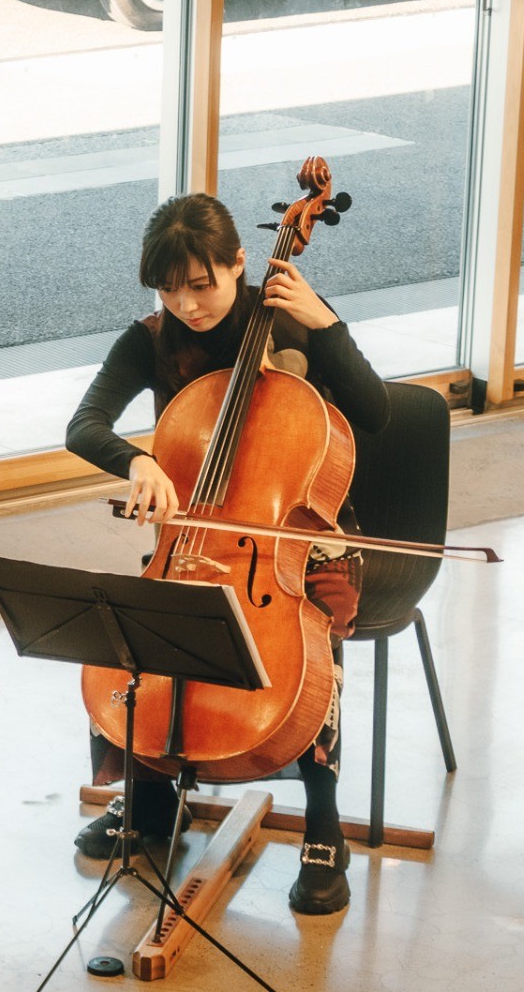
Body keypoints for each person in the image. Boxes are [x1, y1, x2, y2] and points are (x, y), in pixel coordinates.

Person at [65, 192, 389, 916]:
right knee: (133, 628)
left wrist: (327, 325)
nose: (185, 303)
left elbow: (377, 413)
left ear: (240, 262)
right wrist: (136, 462)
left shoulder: (293, 311)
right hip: (194, 543)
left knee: (310, 650)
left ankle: (323, 828)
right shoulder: (149, 338)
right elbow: (82, 424)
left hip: (301, 544)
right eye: (168, 287)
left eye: (202, 284)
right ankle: (147, 801)